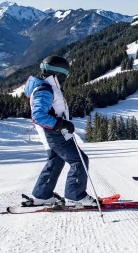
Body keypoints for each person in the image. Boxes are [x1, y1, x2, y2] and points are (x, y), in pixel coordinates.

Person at [23, 55, 97, 206]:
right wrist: (60, 124)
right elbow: (39, 115)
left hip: (53, 132)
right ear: (58, 73)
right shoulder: (45, 89)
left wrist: (62, 123)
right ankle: (75, 196)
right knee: (79, 160)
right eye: (66, 75)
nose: (66, 78)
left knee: (56, 162)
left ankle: (42, 195)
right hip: (55, 133)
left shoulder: (49, 87)